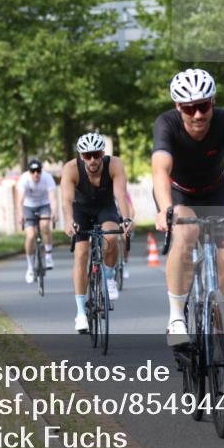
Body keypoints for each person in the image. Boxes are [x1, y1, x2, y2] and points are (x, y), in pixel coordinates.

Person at [153, 69, 224, 353]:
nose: (197, 115)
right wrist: (165, 210)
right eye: (189, 108)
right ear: (178, 108)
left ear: (213, 101)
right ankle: (177, 318)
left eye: (203, 106)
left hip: (216, 196)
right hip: (181, 196)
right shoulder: (166, 123)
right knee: (186, 230)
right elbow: (160, 170)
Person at [61, 132, 134, 333]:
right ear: (81, 156)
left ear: (102, 153)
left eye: (96, 154)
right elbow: (67, 200)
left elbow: (120, 195)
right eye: (87, 156)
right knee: (82, 253)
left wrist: (126, 219)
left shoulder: (114, 164)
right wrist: (69, 222)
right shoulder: (71, 168)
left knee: (111, 237)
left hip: (105, 207)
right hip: (81, 210)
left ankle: (109, 278)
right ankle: (80, 313)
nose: (92, 160)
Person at [15, 158, 57, 283]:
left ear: (41, 171)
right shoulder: (24, 179)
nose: (36, 174)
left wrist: (54, 212)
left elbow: (53, 198)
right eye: (33, 171)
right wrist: (20, 215)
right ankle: (30, 267)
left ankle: (48, 255)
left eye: (38, 171)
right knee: (30, 235)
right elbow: (20, 200)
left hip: (44, 205)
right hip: (28, 207)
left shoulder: (47, 178)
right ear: (29, 172)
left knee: (44, 225)